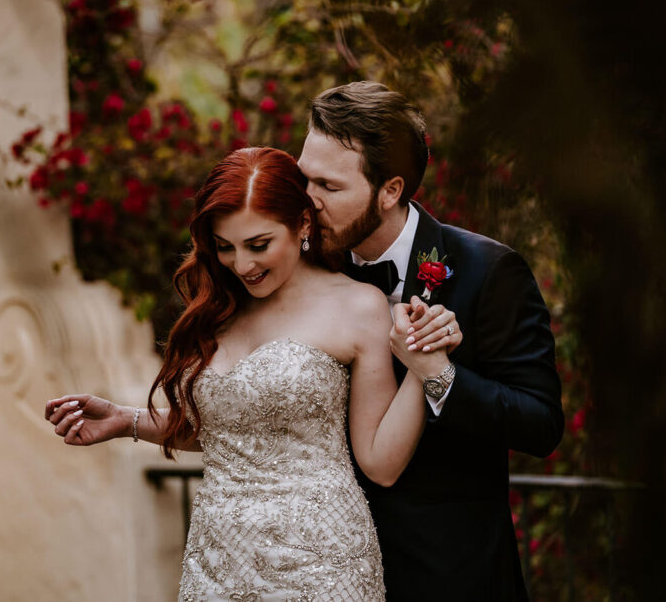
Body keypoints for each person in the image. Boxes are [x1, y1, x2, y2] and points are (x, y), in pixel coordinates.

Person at [45, 147, 461, 600]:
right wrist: (124, 420)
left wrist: (424, 367)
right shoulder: (218, 310)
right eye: (225, 247)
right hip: (216, 565)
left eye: (259, 245)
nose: (242, 265)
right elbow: (227, 433)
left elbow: (380, 464)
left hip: (320, 565)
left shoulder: (358, 307)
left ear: (303, 224)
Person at [296, 81, 564, 601]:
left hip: (451, 575)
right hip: (322, 573)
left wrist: (439, 376)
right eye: (302, 178)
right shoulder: (301, 269)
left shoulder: (489, 272)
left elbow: (541, 424)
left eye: (328, 187)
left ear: (390, 190)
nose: (307, 201)